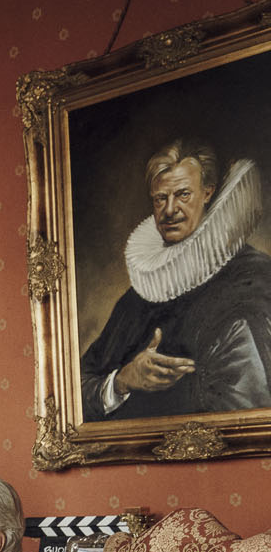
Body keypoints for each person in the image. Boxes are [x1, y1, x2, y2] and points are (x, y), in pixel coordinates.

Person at [79, 138, 271, 421]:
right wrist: (121, 381)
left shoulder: (252, 278)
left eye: (183, 195)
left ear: (207, 193)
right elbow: (76, 390)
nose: (169, 210)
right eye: (160, 198)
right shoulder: (136, 299)